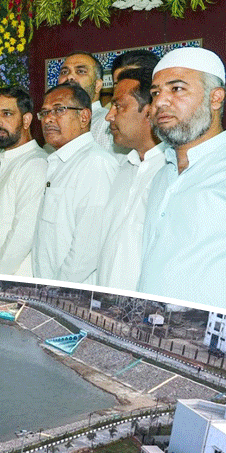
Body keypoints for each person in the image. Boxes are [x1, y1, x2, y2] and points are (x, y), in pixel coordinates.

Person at [138, 47, 226, 319]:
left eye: (177, 89)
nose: (160, 102)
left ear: (215, 98)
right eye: (155, 93)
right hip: (153, 334)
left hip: (221, 343)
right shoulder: (162, 176)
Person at [32, 83, 117, 284]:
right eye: (44, 112)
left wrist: (57, 290)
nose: (48, 119)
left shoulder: (95, 163)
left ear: (84, 117)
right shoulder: (59, 162)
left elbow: (88, 249)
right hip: (48, 288)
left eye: (59, 110)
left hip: (71, 292)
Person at [95, 68, 166, 290]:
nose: (109, 116)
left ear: (150, 111)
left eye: (119, 106)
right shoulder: (124, 168)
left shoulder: (171, 171)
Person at [0, 86, 47, 276]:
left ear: (26, 120)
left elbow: (22, 235)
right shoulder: (5, 163)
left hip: (11, 282)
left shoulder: (35, 164)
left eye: (7, 114)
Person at [58, 51, 117, 154]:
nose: (70, 76)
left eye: (80, 71)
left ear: (97, 85)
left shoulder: (106, 123)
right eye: (64, 72)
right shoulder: (53, 122)